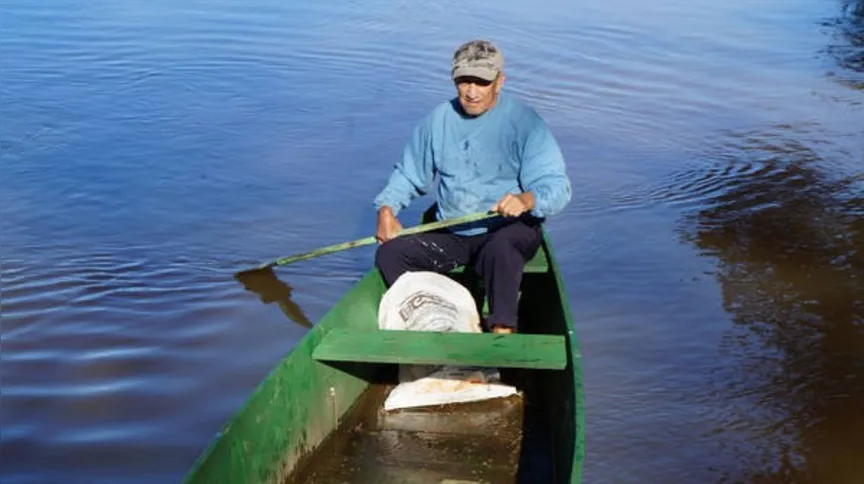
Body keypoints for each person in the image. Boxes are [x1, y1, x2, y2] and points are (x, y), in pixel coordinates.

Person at [372, 39, 572, 334]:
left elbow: (558, 187)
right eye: (464, 81)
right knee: (390, 254)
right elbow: (409, 174)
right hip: (455, 231)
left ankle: (503, 329)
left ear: (499, 82)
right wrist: (387, 208)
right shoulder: (438, 121)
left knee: (500, 250)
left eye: (481, 82)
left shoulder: (525, 123)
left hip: (507, 230)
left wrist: (526, 199)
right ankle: (435, 317)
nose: (471, 91)